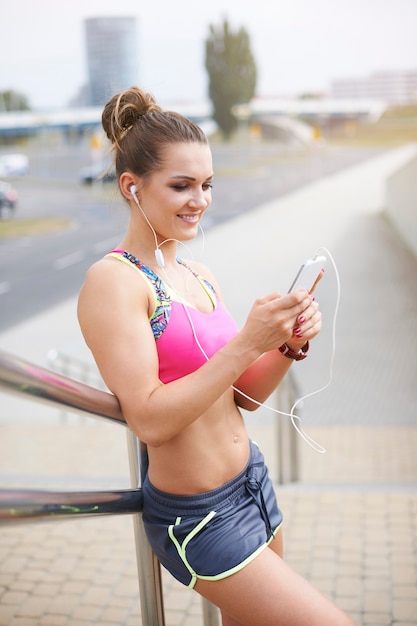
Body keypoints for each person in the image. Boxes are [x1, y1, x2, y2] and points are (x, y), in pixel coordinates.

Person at [77, 86, 355, 626]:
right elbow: (151, 419)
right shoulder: (113, 281)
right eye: (181, 185)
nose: (199, 200)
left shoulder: (198, 276)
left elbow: (245, 396)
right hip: (199, 517)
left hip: (252, 483)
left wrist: (287, 344)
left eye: (206, 185)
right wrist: (248, 341)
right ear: (132, 187)